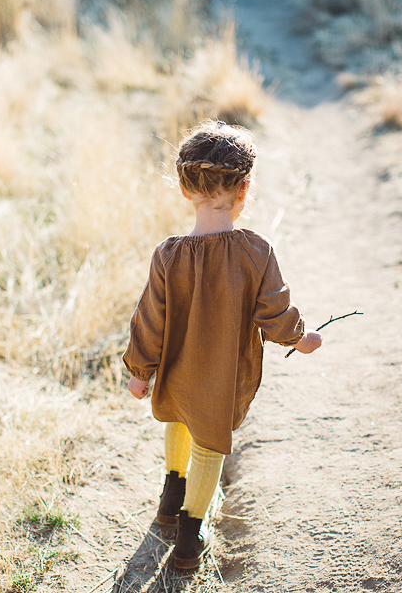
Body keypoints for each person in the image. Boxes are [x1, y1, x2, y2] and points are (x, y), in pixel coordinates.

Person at [122, 120, 322, 570]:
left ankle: (169, 502)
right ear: (244, 190)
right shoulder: (256, 251)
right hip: (221, 377)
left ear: (183, 189)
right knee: (209, 444)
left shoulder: (168, 255)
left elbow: (149, 320)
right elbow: (274, 314)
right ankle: (190, 540)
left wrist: (140, 372)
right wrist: (301, 337)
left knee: (177, 416)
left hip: (176, 371)